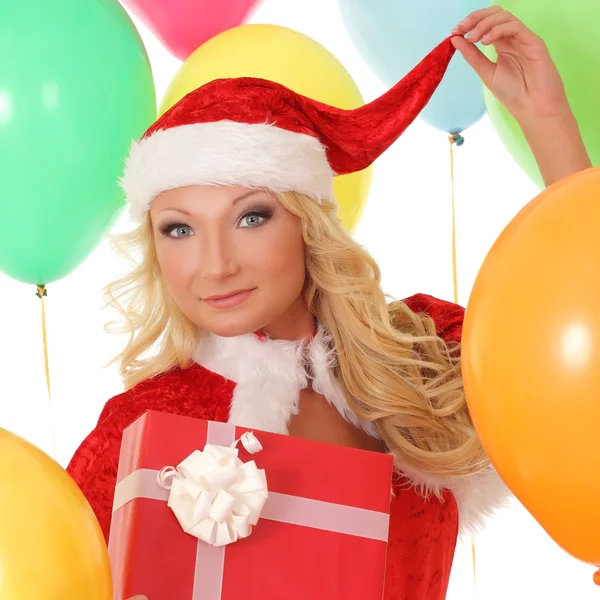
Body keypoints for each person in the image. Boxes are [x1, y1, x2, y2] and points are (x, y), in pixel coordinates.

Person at [68, 8, 591, 600]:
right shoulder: (139, 426)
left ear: (307, 222)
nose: (215, 265)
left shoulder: (428, 356)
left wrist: (546, 121)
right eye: (178, 229)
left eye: (251, 216)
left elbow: (578, 334)